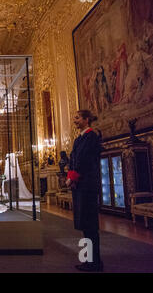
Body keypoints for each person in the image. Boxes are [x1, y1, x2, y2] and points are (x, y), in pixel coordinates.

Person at [66, 110, 103, 272]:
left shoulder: (91, 137)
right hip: (79, 185)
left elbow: (83, 160)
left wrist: (72, 177)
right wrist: (71, 177)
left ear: (86, 120)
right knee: (84, 225)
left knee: (90, 225)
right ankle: (88, 260)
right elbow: (73, 159)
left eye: (77, 117)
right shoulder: (79, 139)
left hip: (87, 185)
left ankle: (94, 262)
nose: (75, 120)